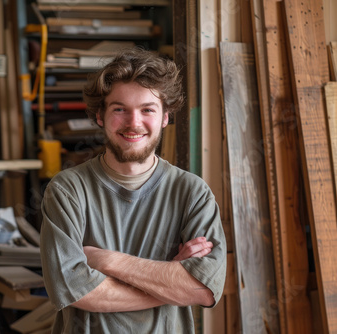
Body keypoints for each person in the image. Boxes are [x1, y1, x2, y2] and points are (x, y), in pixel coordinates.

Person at [40, 47, 227, 333]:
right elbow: (73, 289)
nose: (134, 123)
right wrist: (171, 282)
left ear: (165, 116)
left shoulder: (192, 193)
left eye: (147, 110)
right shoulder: (68, 191)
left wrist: (106, 260)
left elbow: (203, 290)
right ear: (100, 115)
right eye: (120, 109)